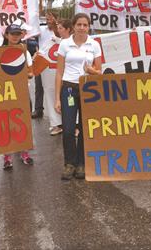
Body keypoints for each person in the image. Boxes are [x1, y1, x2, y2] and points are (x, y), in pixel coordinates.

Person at [54, 13, 102, 180]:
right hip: (68, 89)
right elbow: (59, 72)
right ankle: (69, 164)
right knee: (67, 129)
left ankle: (81, 163)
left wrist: (91, 71)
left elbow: (99, 72)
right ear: (73, 26)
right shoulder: (65, 44)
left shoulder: (94, 44)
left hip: (88, 88)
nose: (82, 27)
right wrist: (57, 98)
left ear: (89, 27)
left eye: (85, 25)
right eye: (79, 24)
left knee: (84, 128)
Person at [1, 24, 34, 169]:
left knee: (24, 123)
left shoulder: (25, 51)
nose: (15, 36)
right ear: (6, 35)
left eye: (18, 34)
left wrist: (26, 73)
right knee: (6, 125)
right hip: (5, 93)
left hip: (22, 92)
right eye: (12, 34)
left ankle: (24, 153)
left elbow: (31, 73)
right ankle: (7, 157)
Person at [40, 19, 72, 136]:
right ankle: (56, 124)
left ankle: (75, 124)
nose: (58, 30)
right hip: (52, 77)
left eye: (61, 28)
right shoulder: (50, 41)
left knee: (70, 100)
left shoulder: (74, 42)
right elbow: (41, 54)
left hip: (68, 77)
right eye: (57, 28)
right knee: (52, 98)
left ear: (68, 29)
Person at [33, 12, 58, 119]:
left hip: (55, 63)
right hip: (41, 60)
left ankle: (57, 111)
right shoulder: (41, 30)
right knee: (39, 86)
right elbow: (30, 32)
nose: (48, 22)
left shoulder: (59, 30)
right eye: (47, 19)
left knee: (54, 87)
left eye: (50, 19)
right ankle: (38, 110)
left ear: (56, 19)